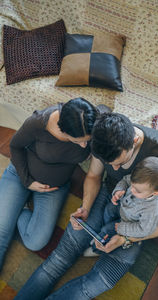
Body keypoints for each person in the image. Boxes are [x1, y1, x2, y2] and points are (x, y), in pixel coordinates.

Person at [15, 112, 158, 300]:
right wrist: (85, 208)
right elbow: (95, 176)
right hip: (108, 196)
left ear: (135, 140)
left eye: (120, 163)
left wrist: (127, 238)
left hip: (140, 217)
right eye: (111, 164)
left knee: (95, 285)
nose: (117, 170)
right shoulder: (101, 139)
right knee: (56, 261)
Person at [0, 97, 98, 272]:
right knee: (1, 234)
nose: (85, 146)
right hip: (21, 174)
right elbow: (15, 146)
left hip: (54, 188)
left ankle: (18, 209)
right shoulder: (39, 122)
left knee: (35, 241)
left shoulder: (92, 124)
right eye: (78, 141)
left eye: (87, 140)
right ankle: (13, 208)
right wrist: (27, 182)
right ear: (63, 130)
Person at [84, 156, 158, 256]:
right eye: (132, 186)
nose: (132, 190)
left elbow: (144, 230)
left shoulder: (154, 210)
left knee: (107, 231)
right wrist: (119, 190)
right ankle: (102, 229)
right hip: (123, 206)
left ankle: (97, 249)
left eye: (137, 191)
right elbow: (125, 180)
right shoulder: (139, 179)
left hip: (129, 223)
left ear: (155, 193)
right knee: (109, 209)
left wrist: (122, 228)